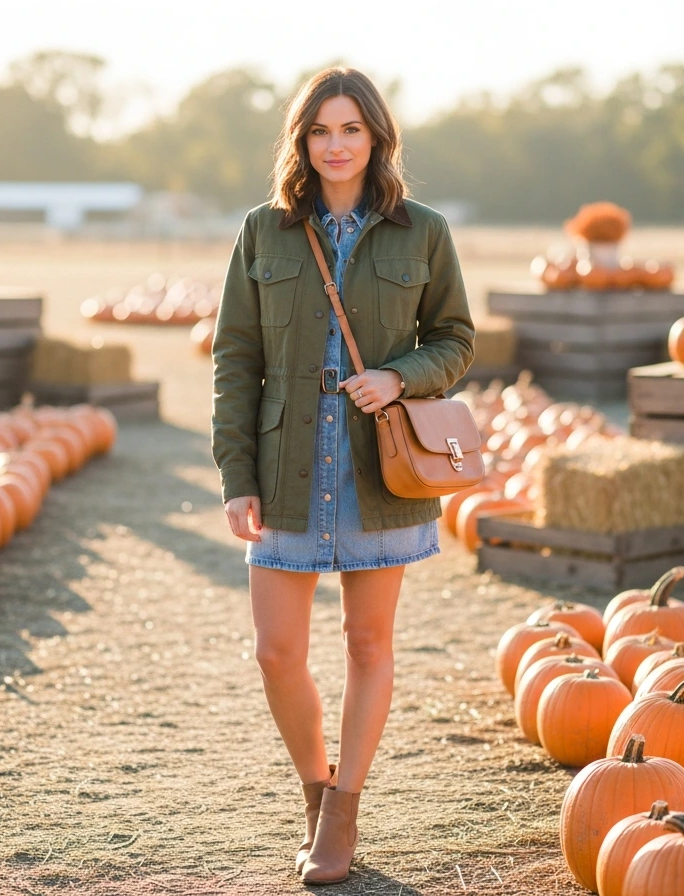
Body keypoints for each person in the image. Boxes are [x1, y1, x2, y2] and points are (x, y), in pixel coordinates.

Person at [211, 66, 475, 885]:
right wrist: (235, 475)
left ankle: (344, 813)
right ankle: (314, 792)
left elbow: (458, 340)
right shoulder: (264, 230)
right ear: (302, 139)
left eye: (350, 129)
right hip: (286, 468)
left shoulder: (421, 230)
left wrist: (399, 376)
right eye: (320, 130)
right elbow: (235, 358)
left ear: (376, 138)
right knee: (276, 652)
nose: (335, 145)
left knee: (369, 643)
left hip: (377, 472)